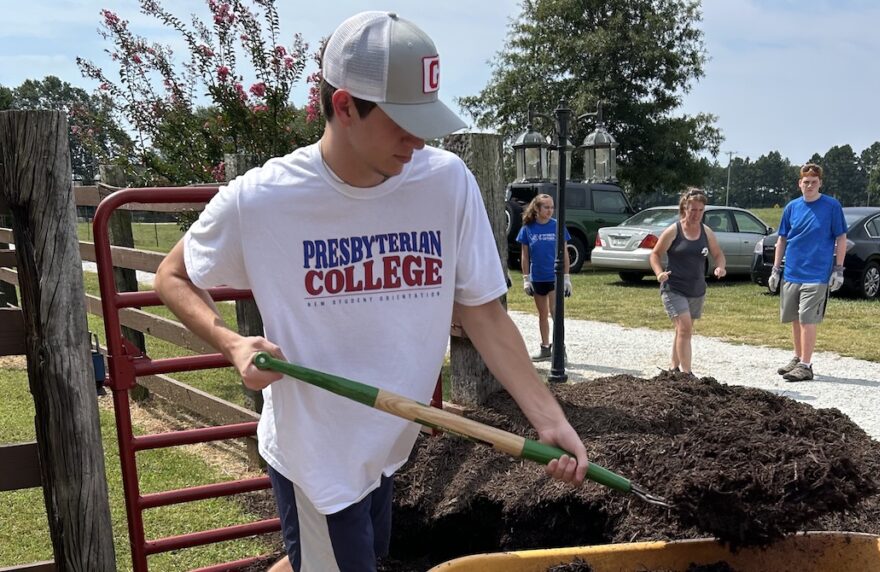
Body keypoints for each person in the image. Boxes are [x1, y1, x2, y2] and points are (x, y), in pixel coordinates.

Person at [153, 11, 588, 572]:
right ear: (344, 107)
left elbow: (483, 312)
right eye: (401, 121)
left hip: (388, 446)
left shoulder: (445, 181)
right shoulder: (264, 199)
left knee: (325, 560)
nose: (418, 139)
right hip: (318, 460)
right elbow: (172, 276)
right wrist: (232, 344)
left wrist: (548, 419)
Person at [768, 163, 848, 382]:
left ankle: (806, 365)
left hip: (817, 274)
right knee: (794, 317)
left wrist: (838, 269)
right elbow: (782, 239)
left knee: (806, 318)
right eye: (806, 182)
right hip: (793, 271)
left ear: (820, 183)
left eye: (814, 182)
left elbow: (841, 238)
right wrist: (776, 269)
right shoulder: (792, 207)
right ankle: (797, 357)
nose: (810, 185)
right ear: (799, 184)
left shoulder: (832, 206)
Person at [649, 189, 726, 382]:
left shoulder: (706, 232)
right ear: (685, 208)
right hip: (673, 287)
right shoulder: (674, 230)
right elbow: (655, 254)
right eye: (693, 210)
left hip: (697, 289)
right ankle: (687, 374)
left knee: (682, 330)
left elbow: (718, 254)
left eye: (700, 210)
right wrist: (659, 273)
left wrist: (720, 267)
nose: (696, 214)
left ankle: (673, 369)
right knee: (685, 329)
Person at [517, 194, 572, 361]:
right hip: (537, 277)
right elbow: (525, 255)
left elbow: (565, 253)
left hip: (554, 276)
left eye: (552, 207)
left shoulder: (557, 226)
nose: (550, 211)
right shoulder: (528, 228)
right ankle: (545, 347)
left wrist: (567, 277)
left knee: (555, 313)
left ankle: (559, 349)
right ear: (537, 209)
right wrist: (526, 278)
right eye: (546, 207)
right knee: (542, 314)